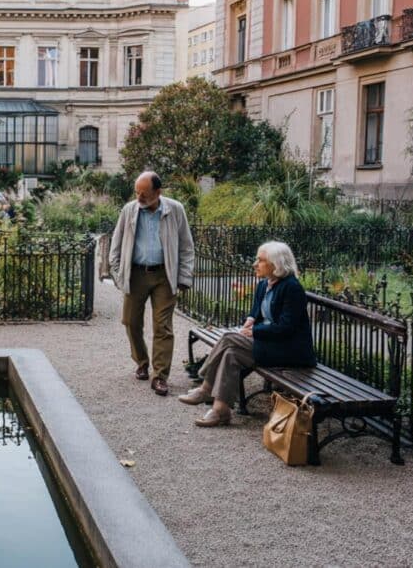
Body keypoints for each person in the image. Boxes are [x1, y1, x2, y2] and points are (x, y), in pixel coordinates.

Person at [178, 241, 317, 426]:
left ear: (276, 264)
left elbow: (286, 328)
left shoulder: (291, 287)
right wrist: (251, 320)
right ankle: (221, 411)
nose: (255, 264)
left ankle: (205, 386)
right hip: (269, 345)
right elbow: (256, 312)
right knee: (231, 353)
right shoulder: (263, 285)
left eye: (260, 260)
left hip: (289, 351)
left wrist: (253, 331)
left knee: (229, 338)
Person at [108, 171, 194, 396]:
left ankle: (160, 376)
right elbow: (115, 245)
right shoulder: (129, 210)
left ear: (158, 192)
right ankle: (142, 361)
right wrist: (118, 275)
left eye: (144, 194)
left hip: (165, 276)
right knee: (130, 321)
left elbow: (186, 246)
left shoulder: (175, 209)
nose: (139, 198)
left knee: (163, 327)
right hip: (135, 274)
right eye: (137, 192)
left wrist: (184, 277)